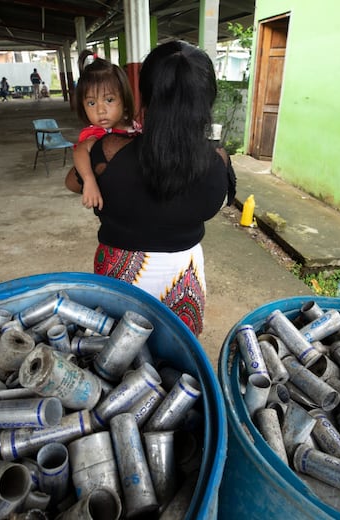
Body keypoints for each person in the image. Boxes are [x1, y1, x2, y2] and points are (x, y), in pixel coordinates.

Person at [65, 41, 236, 336]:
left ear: (142, 98)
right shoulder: (217, 160)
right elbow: (217, 201)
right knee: (180, 355)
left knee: (116, 358)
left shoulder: (108, 152)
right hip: (184, 274)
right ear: (206, 102)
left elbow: (72, 182)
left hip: (120, 272)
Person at [70, 50, 139, 210]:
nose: (101, 110)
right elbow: (80, 151)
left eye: (109, 100)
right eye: (91, 103)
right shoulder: (97, 134)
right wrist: (89, 180)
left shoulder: (134, 126)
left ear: (124, 99)